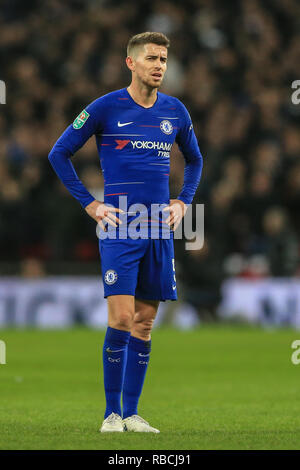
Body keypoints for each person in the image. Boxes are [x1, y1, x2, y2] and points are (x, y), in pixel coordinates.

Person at [48, 32, 203, 433]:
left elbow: (196, 160)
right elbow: (58, 152)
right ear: (130, 63)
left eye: (164, 59)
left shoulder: (175, 111)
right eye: (151, 57)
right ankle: (110, 414)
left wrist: (183, 200)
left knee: (145, 324)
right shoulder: (105, 108)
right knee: (120, 318)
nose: (159, 65)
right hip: (121, 227)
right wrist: (91, 203)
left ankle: (132, 414)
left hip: (159, 229)